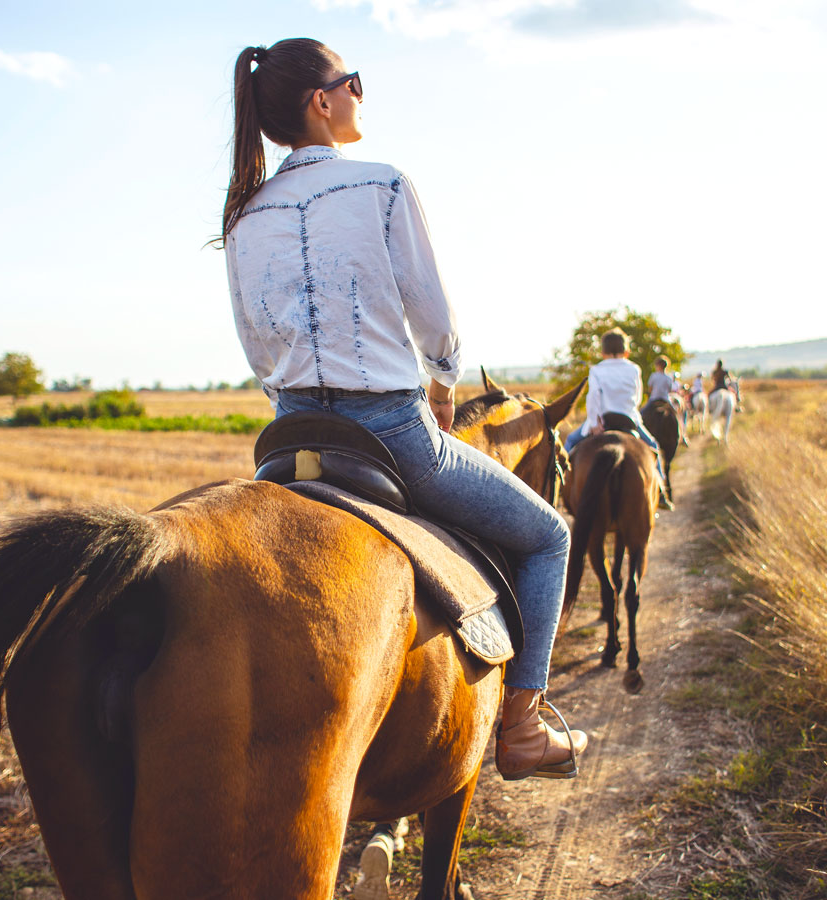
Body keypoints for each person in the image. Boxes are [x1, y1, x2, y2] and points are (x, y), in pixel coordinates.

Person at [220, 38, 585, 780]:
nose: (361, 93)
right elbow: (435, 319)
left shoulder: (242, 213)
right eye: (354, 82)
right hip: (391, 432)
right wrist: (445, 387)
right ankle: (521, 727)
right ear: (321, 102)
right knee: (547, 536)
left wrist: (298, 397)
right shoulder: (382, 185)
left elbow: (257, 346)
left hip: (285, 441)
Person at [563, 330, 673, 510]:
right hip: (629, 419)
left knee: (570, 441)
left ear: (602, 352)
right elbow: (637, 398)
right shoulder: (634, 369)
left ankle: (561, 484)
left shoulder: (596, 370)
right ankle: (661, 491)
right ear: (626, 351)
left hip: (602, 421)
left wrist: (594, 423)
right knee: (653, 446)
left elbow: (593, 397)